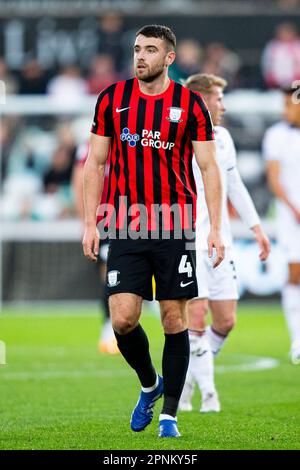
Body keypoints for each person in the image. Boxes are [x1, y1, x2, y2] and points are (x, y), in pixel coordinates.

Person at [82, 24, 224, 438]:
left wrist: (215, 227)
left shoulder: (190, 105)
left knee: (172, 317)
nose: (140, 56)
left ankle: (170, 416)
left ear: (169, 58)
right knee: (123, 319)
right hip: (125, 222)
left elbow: (208, 167)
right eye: (137, 49)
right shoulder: (112, 99)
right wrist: (90, 222)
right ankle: (150, 385)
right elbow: (94, 163)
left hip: (174, 224)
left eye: (150, 50)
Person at [179, 74, 270, 413]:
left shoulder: (224, 138)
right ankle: (209, 394)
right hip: (188, 240)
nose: (224, 105)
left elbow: (234, 185)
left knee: (226, 321)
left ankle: (187, 379)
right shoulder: (177, 136)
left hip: (223, 240)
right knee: (196, 315)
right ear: (202, 100)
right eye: (219, 98)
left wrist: (256, 227)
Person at [263, 85, 300, 365]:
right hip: (292, 217)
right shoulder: (276, 135)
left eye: (291, 104)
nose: (287, 110)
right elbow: (274, 178)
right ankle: (296, 338)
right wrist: (293, 208)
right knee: (295, 274)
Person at [72, 141, 119, 354]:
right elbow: (79, 181)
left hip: (132, 218)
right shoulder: (90, 145)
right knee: (110, 273)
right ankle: (109, 328)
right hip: (105, 220)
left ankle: (115, 327)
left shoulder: (125, 141)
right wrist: (87, 222)